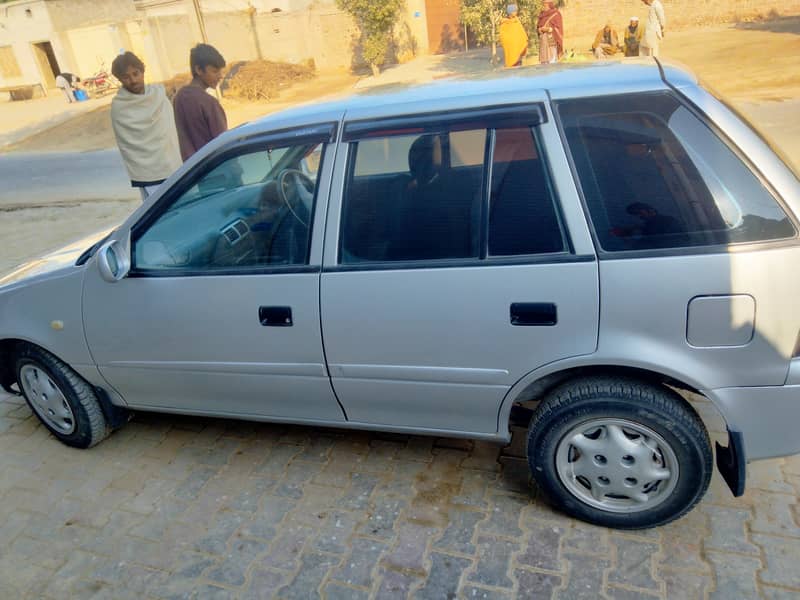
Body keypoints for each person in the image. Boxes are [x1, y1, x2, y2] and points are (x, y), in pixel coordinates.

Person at [110, 51, 182, 202]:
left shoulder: (159, 94)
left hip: (171, 165)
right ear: (120, 80)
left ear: (142, 72)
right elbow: (128, 143)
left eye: (136, 73)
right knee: (158, 214)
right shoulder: (119, 106)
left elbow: (168, 129)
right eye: (126, 77)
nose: (133, 80)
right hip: (147, 173)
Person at [173, 43, 227, 161]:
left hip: (193, 170)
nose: (220, 76)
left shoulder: (179, 97)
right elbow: (223, 144)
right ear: (198, 69)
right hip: (216, 170)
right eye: (214, 71)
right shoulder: (209, 103)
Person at [537, 0, 564, 64]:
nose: (543, 6)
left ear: (550, 4)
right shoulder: (541, 14)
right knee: (543, 64)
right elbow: (538, 27)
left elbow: (558, 29)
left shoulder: (556, 14)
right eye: (543, 4)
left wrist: (548, 29)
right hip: (543, 42)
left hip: (551, 42)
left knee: (552, 63)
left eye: (545, 4)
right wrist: (540, 30)